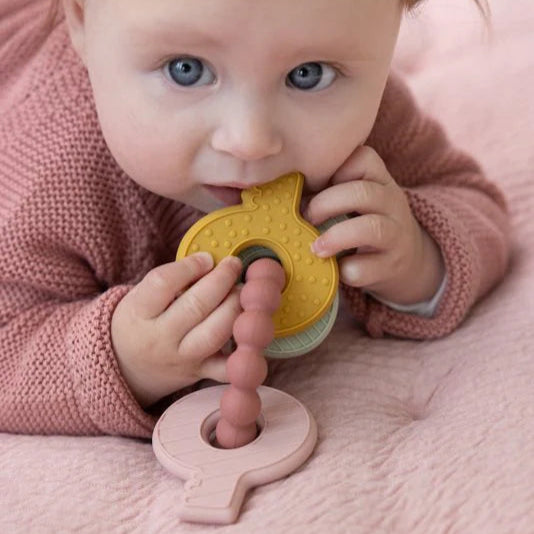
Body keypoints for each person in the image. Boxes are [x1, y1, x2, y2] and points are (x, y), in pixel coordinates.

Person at [0, 0, 508, 437]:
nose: (249, 139)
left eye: (306, 75)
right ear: (81, 19)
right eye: (186, 69)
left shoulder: (360, 116)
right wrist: (120, 358)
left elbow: (468, 197)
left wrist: (418, 257)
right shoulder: (52, 175)